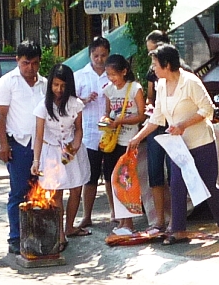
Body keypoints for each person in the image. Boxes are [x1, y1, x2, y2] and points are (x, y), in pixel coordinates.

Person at [129, 44, 219, 245]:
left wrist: (183, 124)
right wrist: (137, 138)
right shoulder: (161, 85)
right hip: (178, 146)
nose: (153, 68)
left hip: (201, 142)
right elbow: (157, 117)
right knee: (176, 185)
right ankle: (178, 229)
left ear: (167, 65)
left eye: (155, 64)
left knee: (207, 185)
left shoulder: (190, 82)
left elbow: (208, 109)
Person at [0, 39, 48, 255]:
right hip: (20, 145)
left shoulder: (44, 83)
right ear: (17, 60)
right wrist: (3, 145)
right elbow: (0, 116)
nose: (30, 68)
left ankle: (40, 235)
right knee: (19, 192)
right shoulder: (7, 83)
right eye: (26, 63)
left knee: (42, 191)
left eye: (34, 63)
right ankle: (16, 237)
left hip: (43, 146)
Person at [30, 63, 91, 252]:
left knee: (76, 190)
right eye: (55, 85)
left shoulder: (75, 104)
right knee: (56, 193)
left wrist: (75, 145)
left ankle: (70, 226)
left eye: (63, 86)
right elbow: (38, 136)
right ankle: (60, 235)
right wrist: (36, 161)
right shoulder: (43, 106)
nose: (59, 90)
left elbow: (79, 128)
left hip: (72, 151)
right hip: (52, 153)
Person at [103, 54, 145, 232]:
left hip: (129, 140)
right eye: (108, 75)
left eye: (114, 74)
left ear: (124, 71)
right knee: (113, 179)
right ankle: (121, 219)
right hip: (112, 140)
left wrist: (120, 122)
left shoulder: (135, 88)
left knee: (126, 180)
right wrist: (106, 122)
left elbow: (141, 115)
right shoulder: (108, 90)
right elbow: (106, 113)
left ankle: (129, 222)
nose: (112, 79)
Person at [74, 37, 113, 227]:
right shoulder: (80, 76)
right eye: (96, 55)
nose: (99, 59)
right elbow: (70, 104)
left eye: (103, 55)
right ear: (90, 55)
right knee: (90, 177)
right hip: (89, 135)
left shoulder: (113, 74)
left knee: (112, 175)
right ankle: (86, 215)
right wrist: (84, 99)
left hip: (111, 134)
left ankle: (115, 213)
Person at [144, 30, 172, 234]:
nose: (152, 58)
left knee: (174, 174)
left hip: (173, 128)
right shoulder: (153, 73)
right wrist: (149, 106)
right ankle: (159, 220)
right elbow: (150, 97)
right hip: (155, 125)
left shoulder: (180, 71)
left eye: (154, 52)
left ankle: (176, 219)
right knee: (154, 172)